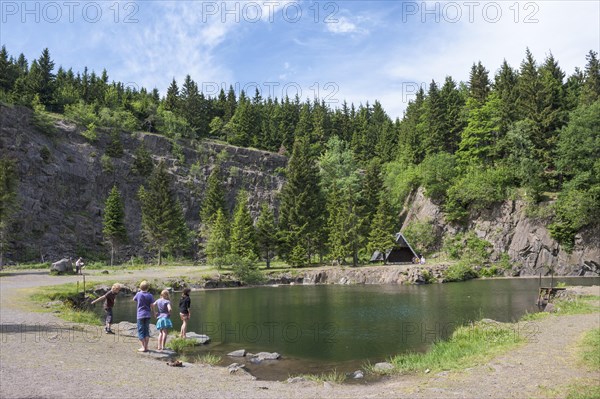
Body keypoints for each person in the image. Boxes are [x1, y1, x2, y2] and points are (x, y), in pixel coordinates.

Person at [133, 281, 154, 352]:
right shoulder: (150, 295)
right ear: (148, 288)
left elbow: (134, 299)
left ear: (140, 287)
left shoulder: (138, 294)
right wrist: (153, 312)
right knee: (146, 331)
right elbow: (152, 305)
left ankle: (143, 346)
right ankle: (146, 346)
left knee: (141, 331)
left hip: (140, 315)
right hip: (148, 314)